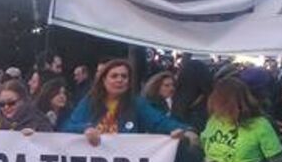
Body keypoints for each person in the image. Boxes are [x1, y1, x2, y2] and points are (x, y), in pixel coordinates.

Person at [62, 58, 194, 145]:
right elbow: (67, 126)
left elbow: (159, 122)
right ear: (103, 80)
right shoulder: (89, 102)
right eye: (114, 76)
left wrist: (185, 130)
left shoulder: (137, 104)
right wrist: (85, 129)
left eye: (124, 76)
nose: (120, 80)